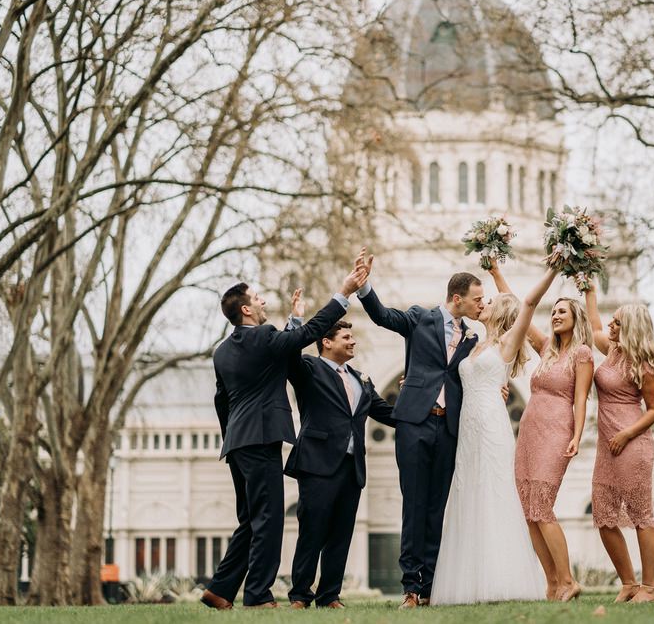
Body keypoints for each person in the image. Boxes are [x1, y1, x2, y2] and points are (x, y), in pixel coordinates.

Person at [200, 259, 368, 610]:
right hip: (261, 439)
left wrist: (230, 437)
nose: (263, 303)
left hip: (236, 442)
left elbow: (222, 400)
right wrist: (344, 294)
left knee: (249, 519)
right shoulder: (263, 335)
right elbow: (307, 335)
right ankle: (259, 596)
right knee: (269, 519)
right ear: (246, 309)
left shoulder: (224, 351)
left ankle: (219, 589)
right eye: (258, 299)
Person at [356, 254, 483, 608]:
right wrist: (365, 285)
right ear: (457, 299)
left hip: (449, 426)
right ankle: (411, 588)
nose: (481, 304)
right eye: (476, 298)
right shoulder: (419, 318)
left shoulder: (472, 337)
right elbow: (383, 316)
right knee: (414, 506)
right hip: (415, 423)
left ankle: (430, 587)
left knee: (436, 508)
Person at [430, 263, 560, 605]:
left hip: (490, 425)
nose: (481, 303)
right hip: (467, 429)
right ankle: (468, 582)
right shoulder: (472, 342)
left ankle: (502, 580)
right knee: (468, 493)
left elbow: (528, 304)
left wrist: (552, 270)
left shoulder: (506, 341)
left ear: (500, 311)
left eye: (487, 301)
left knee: (494, 494)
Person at [488, 264, 594, 602]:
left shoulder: (582, 354)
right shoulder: (546, 348)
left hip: (557, 432)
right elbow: (521, 308)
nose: (557, 316)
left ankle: (568, 580)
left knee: (543, 506)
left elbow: (580, 401)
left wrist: (576, 435)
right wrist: (495, 274)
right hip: (529, 431)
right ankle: (552, 584)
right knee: (527, 509)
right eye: (555, 312)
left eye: (563, 311)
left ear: (576, 318)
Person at [284, 313, 396, 609]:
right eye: (346, 337)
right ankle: (299, 595)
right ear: (326, 342)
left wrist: (422, 405)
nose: (353, 341)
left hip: (351, 468)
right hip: (317, 464)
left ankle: (329, 595)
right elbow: (287, 352)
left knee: (341, 534)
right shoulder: (309, 368)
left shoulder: (362, 380)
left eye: (352, 337)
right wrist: (296, 321)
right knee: (312, 532)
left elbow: (387, 413)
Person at [585, 288, 654, 604]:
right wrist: (589, 290)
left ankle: (651, 587)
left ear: (630, 327)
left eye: (616, 322)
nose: (610, 325)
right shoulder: (611, 351)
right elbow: (593, 328)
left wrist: (627, 435)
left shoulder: (644, 366)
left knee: (641, 515)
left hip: (632, 445)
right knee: (604, 516)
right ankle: (629, 583)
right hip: (607, 448)